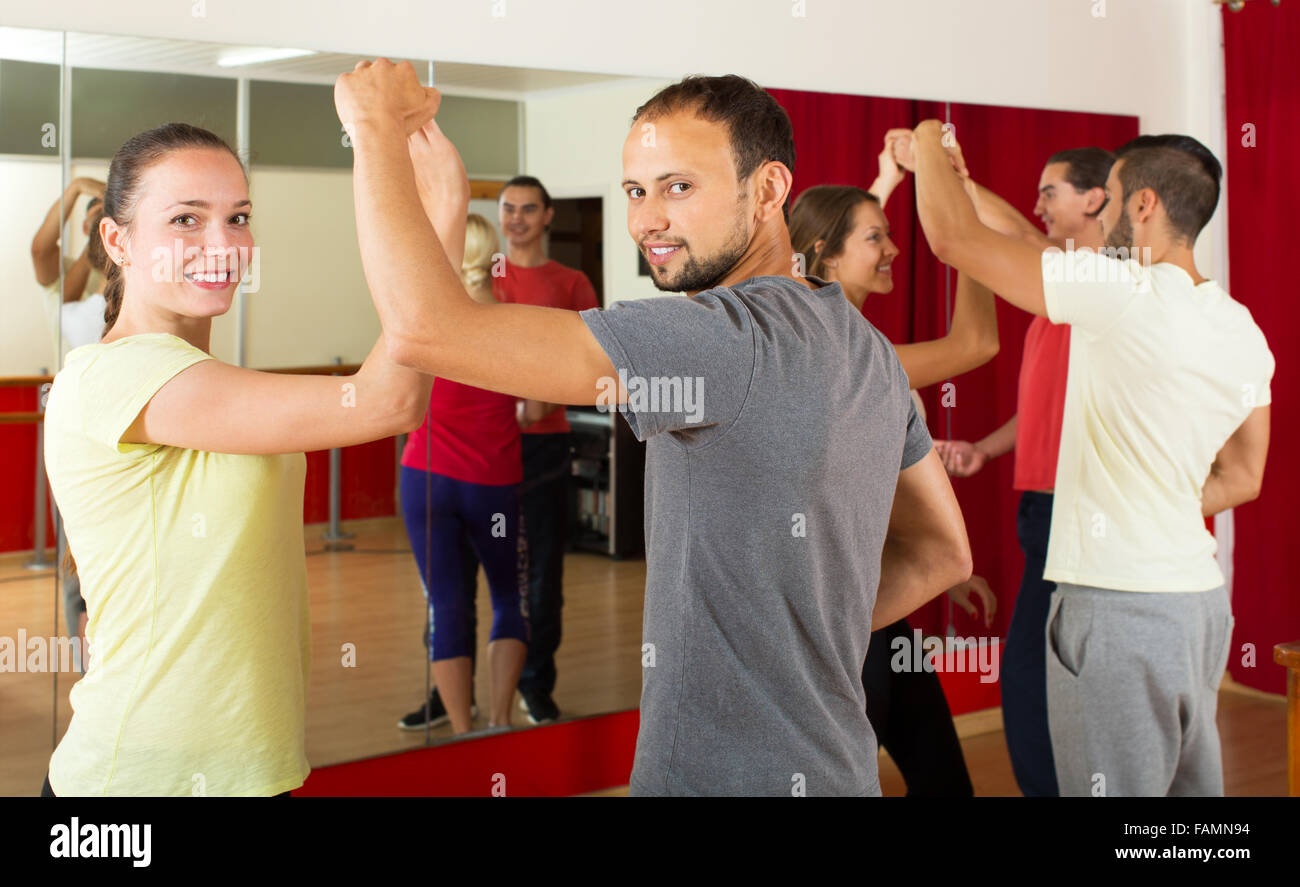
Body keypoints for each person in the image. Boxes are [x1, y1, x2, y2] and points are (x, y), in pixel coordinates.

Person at [336, 60, 972, 795]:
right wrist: (794, 641)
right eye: (637, 190)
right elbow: (942, 552)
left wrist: (376, 127)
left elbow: (423, 330)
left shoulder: (717, 336)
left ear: (768, 190)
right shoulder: (863, 344)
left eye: (679, 187)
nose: (646, 220)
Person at [40, 107, 455, 795]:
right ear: (117, 240)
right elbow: (388, 401)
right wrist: (408, 183)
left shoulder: (208, 380)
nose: (223, 241)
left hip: (256, 770)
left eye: (238, 217)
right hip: (135, 786)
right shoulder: (110, 374)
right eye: (186, 219)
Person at [910, 122, 1274, 796]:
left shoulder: (1121, 294)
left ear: (1143, 207)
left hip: (1117, 611)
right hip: (1199, 606)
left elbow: (955, 241)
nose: (1100, 213)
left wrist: (928, 140)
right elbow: (1244, 477)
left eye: (1106, 196)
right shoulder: (1243, 329)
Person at [787, 130, 999, 796]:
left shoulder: (832, 330)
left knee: (943, 780)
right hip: (847, 624)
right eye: (877, 238)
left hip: (881, 602)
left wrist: (885, 180)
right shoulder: (841, 351)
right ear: (824, 253)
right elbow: (977, 340)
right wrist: (967, 237)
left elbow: (820, 249)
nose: (896, 248)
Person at [917, 142, 1116, 796]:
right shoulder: (1059, 284)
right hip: (1043, 505)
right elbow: (1047, 403)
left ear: (1095, 199)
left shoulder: (1096, 278)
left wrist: (946, 173)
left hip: (1073, 511)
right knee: (1046, 676)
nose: (1038, 203)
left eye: (1051, 189)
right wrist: (987, 449)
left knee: (1031, 679)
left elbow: (999, 235)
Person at [396, 213, 529, 735]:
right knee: (507, 598)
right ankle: (499, 722)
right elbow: (537, 409)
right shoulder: (514, 322)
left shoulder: (420, 320)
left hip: (425, 479)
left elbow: (400, 403)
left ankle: (461, 734)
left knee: (446, 605)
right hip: (492, 482)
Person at [493, 175, 600, 725]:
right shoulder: (477, 278)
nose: (515, 218)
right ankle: (452, 688)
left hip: (545, 449)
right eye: (508, 208)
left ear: (547, 215)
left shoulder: (571, 283)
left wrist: (538, 398)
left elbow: (592, 367)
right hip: (483, 446)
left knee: (541, 575)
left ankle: (536, 684)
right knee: (469, 570)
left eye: (527, 209)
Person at [32, 179, 111, 672]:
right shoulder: (65, 286)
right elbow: (40, 246)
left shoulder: (138, 283)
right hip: (80, 437)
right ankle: (89, 668)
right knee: (77, 560)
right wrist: (75, 190)